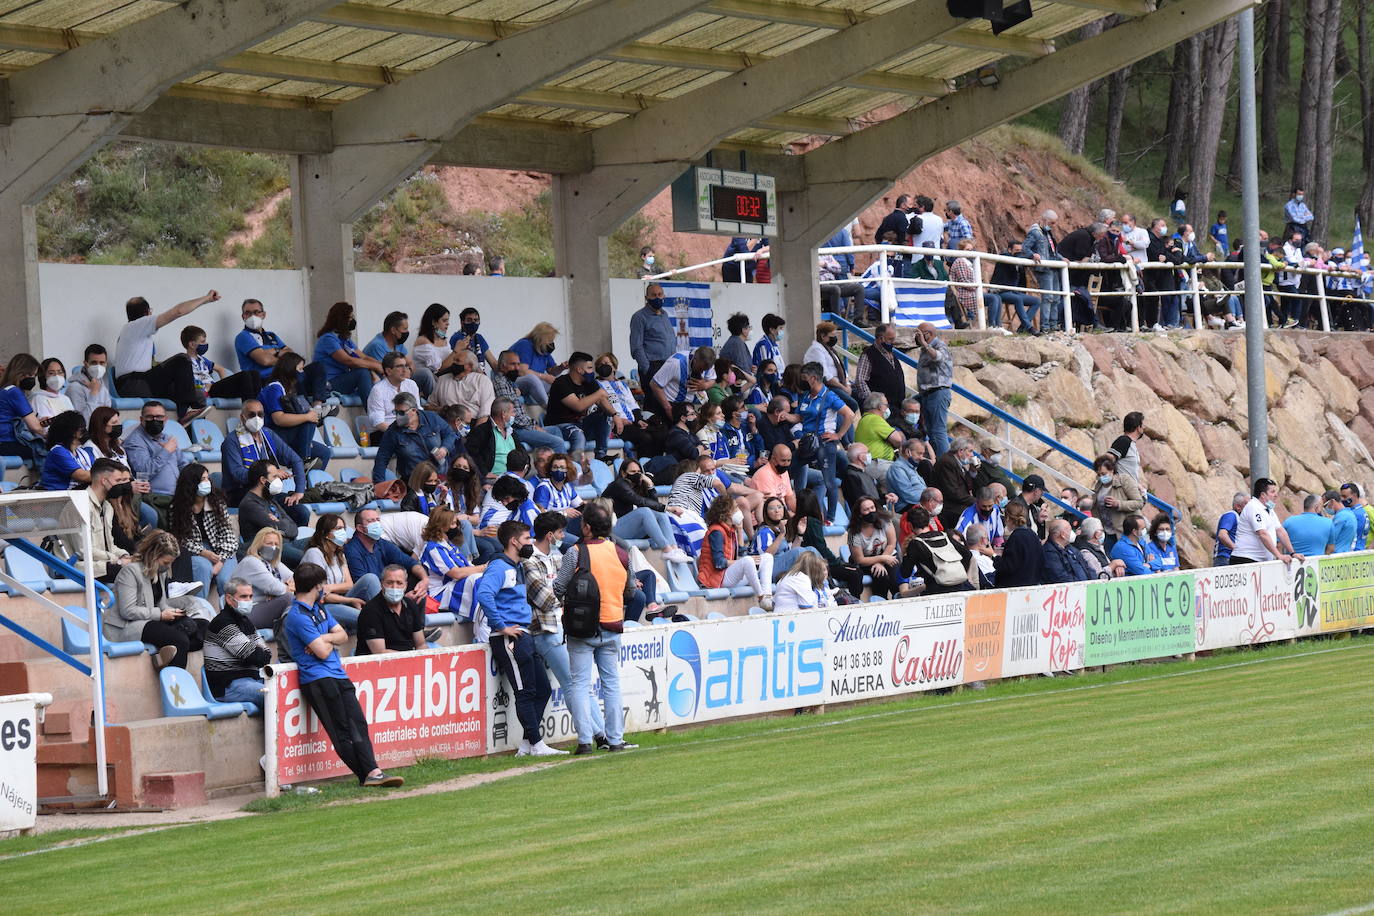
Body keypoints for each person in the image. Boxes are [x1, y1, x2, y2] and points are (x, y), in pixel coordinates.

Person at [280, 563, 404, 787]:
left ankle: (372, 771)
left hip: (337, 674)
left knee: (358, 722)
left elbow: (342, 635)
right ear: (317, 586)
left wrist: (323, 637)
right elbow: (323, 650)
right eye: (322, 585)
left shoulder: (319, 609)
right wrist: (327, 639)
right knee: (341, 731)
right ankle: (367, 773)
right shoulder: (297, 615)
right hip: (318, 679)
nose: (324, 589)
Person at [553, 503, 638, 753]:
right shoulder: (621, 552)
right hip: (612, 623)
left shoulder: (575, 552)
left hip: (582, 627)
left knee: (580, 684)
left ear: (586, 527)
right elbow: (631, 590)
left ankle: (584, 741)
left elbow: (558, 587)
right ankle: (615, 740)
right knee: (611, 684)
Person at [476, 520, 564, 756]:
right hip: (509, 637)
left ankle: (527, 744)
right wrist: (501, 626)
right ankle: (536, 744)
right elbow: (484, 594)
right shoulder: (499, 566)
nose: (530, 543)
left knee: (543, 689)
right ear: (514, 541)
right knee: (524, 691)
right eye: (527, 539)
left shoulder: (517, 566)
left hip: (524, 634)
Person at [109, 530, 212, 670]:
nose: (168, 567)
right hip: (127, 626)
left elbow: (161, 603)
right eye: (166, 562)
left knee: (204, 627)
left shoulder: (160, 572)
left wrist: (173, 612)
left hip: (151, 620)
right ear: (154, 555)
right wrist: (161, 614)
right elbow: (128, 611)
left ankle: (164, 657)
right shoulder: (130, 572)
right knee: (179, 640)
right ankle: (176, 685)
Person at [114, 290, 220, 422]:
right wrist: (206, 298)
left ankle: (194, 427)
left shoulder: (130, 332)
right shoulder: (139, 324)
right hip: (134, 384)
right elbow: (178, 311)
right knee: (182, 359)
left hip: (137, 383)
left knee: (196, 394)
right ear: (147, 313)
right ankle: (185, 412)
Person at [221, 400, 307, 526]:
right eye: (251, 415)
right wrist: (270, 473)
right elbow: (238, 474)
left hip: (268, 492)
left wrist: (299, 491)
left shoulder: (268, 434)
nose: (256, 418)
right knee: (271, 519)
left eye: (260, 414)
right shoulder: (231, 441)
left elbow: (296, 459)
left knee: (301, 512)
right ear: (242, 417)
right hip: (241, 493)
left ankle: (294, 543)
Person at [167, 463, 237, 600]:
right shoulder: (177, 507)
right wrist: (203, 552)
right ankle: (201, 611)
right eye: (202, 480)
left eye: (207, 478)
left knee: (226, 581)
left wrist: (220, 560)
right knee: (203, 568)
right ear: (191, 484)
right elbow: (181, 539)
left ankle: (230, 615)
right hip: (195, 549)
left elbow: (228, 535)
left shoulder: (217, 502)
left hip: (222, 548)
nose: (207, 482)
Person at [796, 360, 855, 522]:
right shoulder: (806, 396)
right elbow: (800, 417)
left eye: (804, 377)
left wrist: (838, 435)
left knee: (829, 481)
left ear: (813, 378)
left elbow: (849, 414)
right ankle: (801, 511)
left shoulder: (829, 396)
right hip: (807, 443)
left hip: (824, 444)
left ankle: (830, 517)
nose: (802, 380)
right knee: (797, 470)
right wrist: (785, 416)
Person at [202, 578, 272, 712]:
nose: (248, 600)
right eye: (243, 596)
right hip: (228, 686)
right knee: (272, 695)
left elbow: (266, 655)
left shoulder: (246, 622)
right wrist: (255, 651)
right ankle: (275, 733)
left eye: (250, 596)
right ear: (229, 599)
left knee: (287, 691)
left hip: (252, 680)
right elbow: (254, 657)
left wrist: (255, 652)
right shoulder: (222, 623)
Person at [300, 513, 381, 626]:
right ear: (326, 533)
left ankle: (386, 614)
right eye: (338, 528)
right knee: (367, 618)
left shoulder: (339, 554)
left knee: (370, 578)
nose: (342, 532)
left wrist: (330, 587)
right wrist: (350, 600)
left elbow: (349, 585)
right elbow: (320, 594)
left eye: (343, 528)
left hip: (340, 599)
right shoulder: (314, 553)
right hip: (323, 606)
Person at [260, 351, 332, 473]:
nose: (303, 373)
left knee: (324, 453)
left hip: (288, 436)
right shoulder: (274, 388)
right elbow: (278, 419)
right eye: (300, 369)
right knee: (308, 419)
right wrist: (307, 417)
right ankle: (304, 459)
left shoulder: (290, 389)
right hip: (272, 437)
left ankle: (309, 488)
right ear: (290, 370)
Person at [698, 494, 774, 606]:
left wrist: (739, 530)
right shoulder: (717, 532)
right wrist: (746, 560)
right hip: (717, 578)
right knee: (748, 560)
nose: (739, 511)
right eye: (736, 508)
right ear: (728, 513)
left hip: (727, 576)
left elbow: (739, 554)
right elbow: (719, 563)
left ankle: (767, 596)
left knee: (768, 557)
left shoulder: (730, 530)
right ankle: (761, 597)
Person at [790, 488, 864, 597]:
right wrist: (838, 563)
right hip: (817, 563)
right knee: (855, 573)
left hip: (809, 561)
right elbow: (821, 547)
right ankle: (855, 603)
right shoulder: (812, 521)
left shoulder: (795, 520)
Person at [418, 507, 485, 626]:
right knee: (477, 580)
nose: (457, 527)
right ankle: (482, 624)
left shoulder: (448, 544)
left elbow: (468, 567)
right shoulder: (433, 548)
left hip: (454, 586)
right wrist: (484, 567)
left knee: (488, 578)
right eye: (453, 523)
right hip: (439, 594)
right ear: (441, 526)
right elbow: (456, 573)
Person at [121, 400, 191, 516]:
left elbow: (183, 465)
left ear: (165, 420)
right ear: (141, 420)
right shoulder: (134, 441)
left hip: (178, 497)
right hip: (155, 499)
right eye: (149, 417)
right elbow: (143, 471)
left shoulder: (166, 438)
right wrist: (166, 451)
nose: (155, 420)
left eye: (159, 417)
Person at [343, 506, 429, 597]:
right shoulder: (352, 550)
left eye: (377, 520)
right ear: (360, 528)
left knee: (416, 580)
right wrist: (402, 599)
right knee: (371, 580)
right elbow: (366, 586)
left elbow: (410, 562)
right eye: (371, 521)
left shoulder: (381, 543)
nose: (376, 524)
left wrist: (424, 579)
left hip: (387, 593)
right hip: (367, 599)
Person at [372, 392, 456, 481]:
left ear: (414, 410)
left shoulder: (432, 418)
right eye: (396, 412)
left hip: (440, 477)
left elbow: (450, 434)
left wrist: (445, 448)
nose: (398, 416)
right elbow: (382, 458)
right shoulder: (393, 431)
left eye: (402, 412)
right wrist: (379, 484)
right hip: (413, 482)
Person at [544, 351, 612, 461]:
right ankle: (575, 467)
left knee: (605, 415)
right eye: (589, 368)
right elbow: (578, 406)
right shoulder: (561, 383)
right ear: (579, 370)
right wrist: (599, 393)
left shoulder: (589, 382)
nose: (592, 371)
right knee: (577, 433)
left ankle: (601, 455)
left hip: (580, 424)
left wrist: (615, 414)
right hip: (560, 427)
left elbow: (602, 401)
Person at [170, 325, 262, 405]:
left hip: (214, 388)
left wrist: (225, 384)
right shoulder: (183, 361)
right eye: (202, 342)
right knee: (245, 376)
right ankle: (249, 410)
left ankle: (257, 408)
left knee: (254, 374)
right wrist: (205, 388)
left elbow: (221, 369)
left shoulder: (203, 360)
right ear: (192, 344)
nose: (206, 344)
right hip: (206, 392)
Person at [235, 459, 305, 563]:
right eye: (275, 477)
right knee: (307, 558)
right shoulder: (250, 504)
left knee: (319, 545)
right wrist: (280, 524)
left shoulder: (270, 499)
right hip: (267, 549)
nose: (278, 480)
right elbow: (274, 527)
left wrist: (279, 523)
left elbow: (294, 528)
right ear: (263, 480)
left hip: (286, 543)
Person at [313, 301, 381, 400]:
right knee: (362, 372)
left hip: (342, 379)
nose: (352, 320)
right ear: (341, 320)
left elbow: (364, 357)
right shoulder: (327, 339)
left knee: (382, 371)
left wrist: (384, 365)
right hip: (329, 383)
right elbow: (348, 360)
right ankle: (373, 411)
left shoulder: (345, 339)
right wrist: (376, 366)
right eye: (350, 318)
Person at [900, 505, 974, 595]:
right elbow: (967, 554)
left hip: (936, 589)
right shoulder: (944, 536)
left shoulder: (915, 544)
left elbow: (905, 573)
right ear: (928, 522)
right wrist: (959, 570)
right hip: (960, 585)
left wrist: (906, 556)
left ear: (911, 525)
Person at [355, 565, 427, 655]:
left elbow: (421, 644)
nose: (394, 587)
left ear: (406, 585)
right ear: (382, 584)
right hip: (378, 665)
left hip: (408, 658)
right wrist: (410, 658)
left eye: (399, 583)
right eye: (389, 583)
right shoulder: (370, 611)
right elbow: (380, 653)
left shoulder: (411, 605)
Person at [364, 310, 433, 399]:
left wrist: (409, 371)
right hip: (386, 383)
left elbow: (410, 363)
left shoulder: (398, 343)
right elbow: (386, 374)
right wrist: (406, 373)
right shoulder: (377, 345)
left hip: (400, 378)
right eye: (404, 329)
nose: (407, 332)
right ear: (393, 330)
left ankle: (432, 404)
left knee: (425, 373)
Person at [1232, 478, 1302, 565]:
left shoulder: (1268, 509)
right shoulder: (1253, 507)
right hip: (1246, 559)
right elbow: (1262, 534)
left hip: (1260, 560)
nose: (1276, 495)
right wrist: (1279, 555)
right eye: (1272, 492)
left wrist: (1293, 553)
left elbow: (1280, 531)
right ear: (1263, 495)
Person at [236, 527, 295, 628]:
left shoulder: (274, 564)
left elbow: (297, 579)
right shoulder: (251, 561)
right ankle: (286, 634)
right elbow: (275, 588)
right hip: (244, 612)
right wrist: (283, 588)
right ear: (258, 545)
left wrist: (281, 590)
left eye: (276, 544)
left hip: (263, 607)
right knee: (288, 598)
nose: (273, 547)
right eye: (269, 543)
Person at [0, 354, 48, 465]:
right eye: (30, 374)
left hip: (4, 443)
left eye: (34, 375)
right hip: (8, 443)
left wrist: (39, 424)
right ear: (19, 372)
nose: (32, 379)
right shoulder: (14, 392)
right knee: (49, 452)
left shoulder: (5, 390)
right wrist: (49, 435)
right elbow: (35, 427)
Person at [848, 497, 899, 600]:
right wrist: (881, 560)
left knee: (896, 579)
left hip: (888, 554)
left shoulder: (885, 521)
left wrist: (881, 562)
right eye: (866, 510)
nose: (870, 511)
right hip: (866, 562)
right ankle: (881, 602)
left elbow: (892, 543)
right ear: (859, 513)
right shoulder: (853, 533)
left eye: (872, 508)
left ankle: (898, 598)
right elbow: (860, 559)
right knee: (881, 575)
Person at [913, 321, 952, 456]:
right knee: (930, 431)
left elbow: (938, 358)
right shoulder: (926, 349)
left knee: (938, 431)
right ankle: (936, 462)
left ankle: (947, 466)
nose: (916, 338)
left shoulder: (939, 346)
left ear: (927, 335)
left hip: (938, 393)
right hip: (927, 394)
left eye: (918, 334)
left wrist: (924, 343)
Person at [234, 299, 294, 382]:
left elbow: (291, 354)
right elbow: (265, 360)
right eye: (248, 313)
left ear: (263, 314)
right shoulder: (243, 336)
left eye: (256, 312)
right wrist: (278, 352)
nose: (252, 316)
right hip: (262, 381)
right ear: (243, 316)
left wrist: (269, 352)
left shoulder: (271, 335)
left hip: (283, 377)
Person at [649, 345, 716, 418]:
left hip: (690, 406)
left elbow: (712, 380)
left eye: (705, 370)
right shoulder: (676, 362)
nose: (702, 371)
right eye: (700, 368)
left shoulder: (708, 363)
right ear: (695, 359)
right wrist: (668, 408)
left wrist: (705, 385)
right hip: (670, 404)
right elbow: (654, 384)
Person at [628, 284, 677, 384]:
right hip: (653, 367)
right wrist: (647, 369)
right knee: (653, 399)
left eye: (660, 294)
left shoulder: (664, 314)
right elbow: (636, 346)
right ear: (647, 298)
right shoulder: (639, 317)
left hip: (669, 366)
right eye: (654, 295)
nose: (657, 297)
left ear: (664, 296)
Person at [1091, 453, 1142, 548]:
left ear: (1112, 470)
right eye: (1099, 475)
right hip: (1106, 532)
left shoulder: (1124, 480)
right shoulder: (1099, 485)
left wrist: (1118, 504)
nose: (1101, 477)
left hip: (1125, 532)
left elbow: (1138, 502)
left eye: (1104, 474)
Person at [510, 321, 564, 408]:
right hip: (515, 382)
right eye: (549, 340)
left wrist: (561, 368)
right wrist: (544, 377)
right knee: (532, 378)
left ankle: (568, 404)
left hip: (535, 385)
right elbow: (522, 372)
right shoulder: (525, 344)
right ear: (541, 338)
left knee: (561, 379)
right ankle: (549, 408)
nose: (551, 343)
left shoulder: (543, 349)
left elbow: (551, 371)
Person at [1023, 210, 1061, 332]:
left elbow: (1052, 251)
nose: (1053, 225)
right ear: (1044, 220)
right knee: (1048, 297)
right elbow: (1025, 247)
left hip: (1053, 267)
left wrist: (1061, 258)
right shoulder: (1035, 232)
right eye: (1052, 223)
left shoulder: (1047, 233)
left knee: (1056, 297)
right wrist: (1033, 254)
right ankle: (1045, 326)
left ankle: (1053, 324)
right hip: (1044, 269)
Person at [928, 437, 975, 531]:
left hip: (958, 502)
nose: (972, 455)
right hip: (948, 505)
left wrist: (973, 470)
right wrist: (975, 501)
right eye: (970, 451)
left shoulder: (956, 462)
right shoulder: (947, 462)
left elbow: (968, 486)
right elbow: (953, 492)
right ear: (961, 451)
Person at [366, 351, 421, 432]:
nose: (405, 370)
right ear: (388, 371)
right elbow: (378, 422)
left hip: (411, 431)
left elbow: (418, 411)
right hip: (386, 433)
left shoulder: (411, 384)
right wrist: (402, 433)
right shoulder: (378, 390)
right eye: (400, 366)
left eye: (406, 366)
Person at [853, 392, 903, 481]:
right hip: (878, 463)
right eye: (886, 405)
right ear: (880, 406)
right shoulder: (874, 419)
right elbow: (898, 440)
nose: (888, 408)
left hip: (873, 464)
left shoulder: (865, 419)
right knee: (904, 481)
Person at [802, 321, 853, 406]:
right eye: (832, 336)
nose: (835, 338)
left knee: (860, 396)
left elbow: (841, 368)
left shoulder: (830, 349)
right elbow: (825, 376)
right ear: (823, 336)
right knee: (852, 403)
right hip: (828, 386)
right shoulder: (816, 350)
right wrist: (843, 388)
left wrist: (847, 384)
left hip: (840, 384)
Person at [993, 501, 1042, 588]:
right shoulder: (1033, 535)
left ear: (1007, 518)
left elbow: (1008, 566)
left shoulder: (1016, 537)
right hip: (1032, 585)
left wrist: (993, 556)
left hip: (1015, 589)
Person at [40, 411, 91, 491]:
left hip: (75, 496)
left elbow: (97, 470)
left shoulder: (82, 452)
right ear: (73, 432)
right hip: (58, 499)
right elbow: (82, 476)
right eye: (82, 428)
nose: (85, 431)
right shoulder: (58, 451)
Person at [412, 303, 459, 381]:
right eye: (444, 320)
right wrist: (456, 351)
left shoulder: (444, 341)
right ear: (433, 322)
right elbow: (439, 369)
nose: (448, 323)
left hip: (446, 380)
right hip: (431, 384)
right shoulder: (423, 341)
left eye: (448, 320)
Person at [449, 306, 499, 377]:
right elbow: (468, 363)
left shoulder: (479, 337)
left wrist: (505, 370)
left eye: (476, 320)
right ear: (462, 322)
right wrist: (484, 379)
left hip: (480, 378)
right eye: (469, 320)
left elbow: (493, 362)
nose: (473, 323)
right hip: (466, 377)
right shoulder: (458, 338)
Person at [68, 344, 112, 422]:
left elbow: (108, 416)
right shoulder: (75, 387)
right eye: (94, 363)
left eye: (102, 363)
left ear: (106, 364)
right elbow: (84, 421)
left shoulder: (102, 386)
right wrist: (93, 393)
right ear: (86, 364)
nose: (98, 367)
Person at [1041, 518, 1092, 583]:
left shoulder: (1071, 548)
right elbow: (1061, 577)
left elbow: (1087, 568)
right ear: (1063, 534)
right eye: (1070, 530)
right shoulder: (1049, 553)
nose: (1072, 533)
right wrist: (1081, 584)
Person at [887, 437, 930, 512]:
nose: (921, 458)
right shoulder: (897, 468)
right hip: (907, 508)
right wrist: (929, 498)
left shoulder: (912, 467)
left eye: (922, 454)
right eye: (919, 453)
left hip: (919, 504)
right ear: (908, 452)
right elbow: (908, 495)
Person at [841, 443, 884, 515]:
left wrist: (887, 497)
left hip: (878, 512)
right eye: (868, 452)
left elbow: (877, 495)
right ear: (861, 457)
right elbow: (860, 502)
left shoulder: (865, 473)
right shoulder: (850, 476)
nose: (869, 455)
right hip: (869, 517)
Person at [1008, 474, 1049, 542]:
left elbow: (1039, 535)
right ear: (1036, 491)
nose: (1042, 494)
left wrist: (1040, 521)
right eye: (1042, 491)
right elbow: (1021, 535)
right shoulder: (1016, 506)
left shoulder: (1031, 506)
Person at [1213, 491, 1247, 566]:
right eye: (1246, 504)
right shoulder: (1231, 515)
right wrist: (1236, 549)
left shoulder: (1240, 518)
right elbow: (1222, 534)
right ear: (1238, 506)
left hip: (1231, 558)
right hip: (1225, 558)